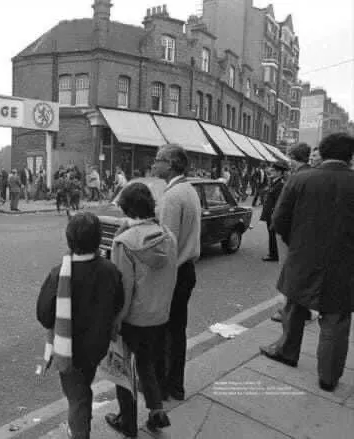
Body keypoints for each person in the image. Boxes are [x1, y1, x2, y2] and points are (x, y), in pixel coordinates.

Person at [260, 133, 354, 392]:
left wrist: (298, 244)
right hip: (344, 265)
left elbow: (278, 221)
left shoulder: (300, 179)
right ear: (350, 156)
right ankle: (328, 378)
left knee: (294, 307)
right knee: (336, 320)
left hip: (302, 257)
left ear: (322, 152)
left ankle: (287, 352)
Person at [37, 212, 124, 439]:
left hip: (70, 351)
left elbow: (44, 315)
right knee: (83, 386)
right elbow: (119, 303)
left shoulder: (59, 274)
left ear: (69, 240)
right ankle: (79, 424)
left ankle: (79, 431)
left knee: (78, 397)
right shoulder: (110, 270)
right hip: (97, 347)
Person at [105, 182, 178, 436]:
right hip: (160, 315)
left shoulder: (124, 243)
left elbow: (123, 290)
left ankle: (127, 422)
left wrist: (115, 322)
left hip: (133, 319)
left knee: (123, 371)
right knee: (147, 364)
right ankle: (156, 412)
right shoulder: (168, 235)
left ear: (126, 209)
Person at [151, 144, 201, 402]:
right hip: (187, 270)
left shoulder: (171, 196)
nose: (154, 164)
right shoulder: (189, 189)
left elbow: (166, 245)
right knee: (177, 331)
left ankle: (161, 387)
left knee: (163, 333)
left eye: (158, 160)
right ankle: (176, 386)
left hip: (174, 272)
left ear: (170, 164)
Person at [271, 143, 312, 323]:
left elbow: (280, 214)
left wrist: (285, 235)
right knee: (301, 275)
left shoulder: (297, 178)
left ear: (294, 159)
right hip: (306, 237)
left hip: (293, 236)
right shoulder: (312, 175)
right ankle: (302, 310)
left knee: (288, 273)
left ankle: (289, 311)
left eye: (291, 159)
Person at [260, 161, 288, 262]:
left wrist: (274, 214)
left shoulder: (280, 184)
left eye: (273, 170)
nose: (270, 171)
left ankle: (274, 255)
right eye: (271, 170)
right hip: (270, 213)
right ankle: (273, 253)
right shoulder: (274, 182)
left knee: (273, 234)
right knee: (271, 233)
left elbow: (278, 202)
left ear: (280, 172)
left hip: (273, 214)